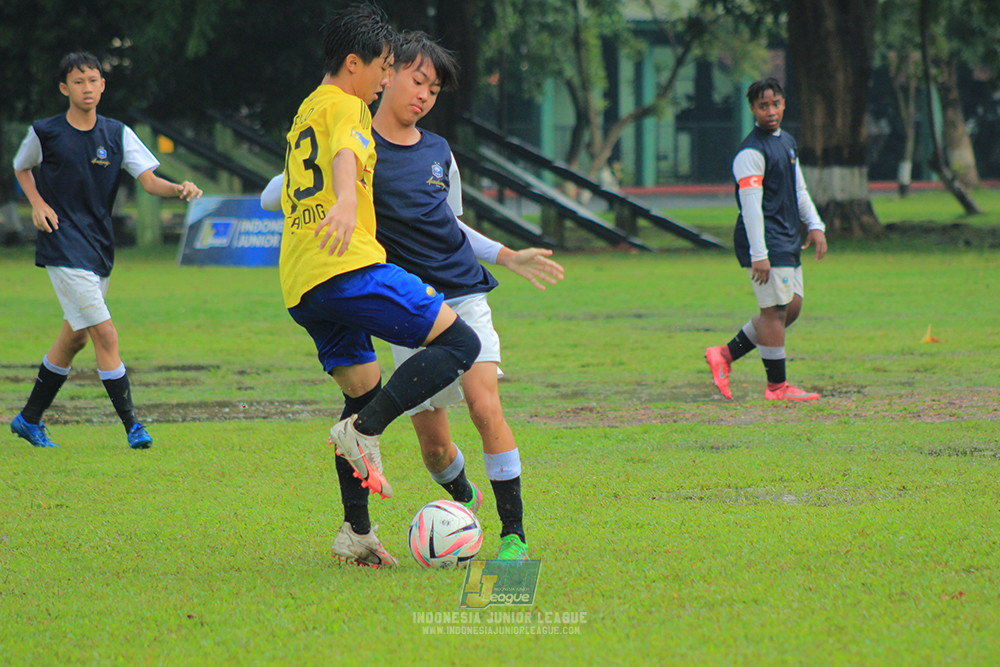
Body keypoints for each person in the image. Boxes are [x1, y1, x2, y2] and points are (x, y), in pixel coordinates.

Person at [277, 4, 481, 569]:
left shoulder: (306, 109)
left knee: (363, 388)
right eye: (384, 68)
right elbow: (346, 153)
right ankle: (365, 432)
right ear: (352, 63)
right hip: (346, 266)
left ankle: (357, 534)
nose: (387, 80)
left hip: (301, 281)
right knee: (460, 344)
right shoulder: (345, 106)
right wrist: (347, 199)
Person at [372, 32, 562, 561]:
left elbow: (452, 224)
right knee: (434, 450)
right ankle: (462, 498)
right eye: (417, 80)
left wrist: (506, 255)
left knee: (485, 405)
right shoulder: (356, 144)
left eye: (434, 89)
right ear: (387, 74)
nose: (424, 95)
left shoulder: (439, 150)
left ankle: (513, 537)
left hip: (464, 294)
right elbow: (288, 187)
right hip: (407, 306)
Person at [9, 51, 202, 450]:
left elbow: (149, 181)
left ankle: (28, 419)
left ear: (102, 85)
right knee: (105, 334)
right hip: (62, 243)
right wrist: (37, 203)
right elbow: (21, 166)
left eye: (94, 80)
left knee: (74, 338)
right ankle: (133, 426)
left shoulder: (116, 134)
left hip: (98, 247)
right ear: (64, 88)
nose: (88, 88)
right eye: (79, 82)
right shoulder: (45, 132)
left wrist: (178, 188)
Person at [704, 77, 827, 402]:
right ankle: (777, 387)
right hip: (763, 240)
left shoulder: (786, 141)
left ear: (784, 104)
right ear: (752, 109)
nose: (770, 111)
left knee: (791, 308)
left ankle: (724, 355)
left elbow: (798, 188)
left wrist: (815, 225)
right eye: (763, 106)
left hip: (786, 235)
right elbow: (751, 207)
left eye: (775, 104)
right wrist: (760, 253)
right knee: (773, 311)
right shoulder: (750, 153)